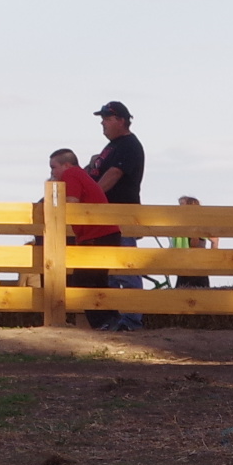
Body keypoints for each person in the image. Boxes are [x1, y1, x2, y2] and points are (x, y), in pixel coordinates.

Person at [85, 101, 146, 331]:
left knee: (126, 269)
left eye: (107, 119)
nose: (102, 123)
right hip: (106, 218)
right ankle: (114, 319)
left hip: (120, 215)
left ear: (121, 120)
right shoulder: (112, 147)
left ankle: (131, 321)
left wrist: (92, 197)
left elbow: (114, 174)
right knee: (109, 271)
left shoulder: (128, 145)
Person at [49, 147, 115, 317]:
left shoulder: (70, 175)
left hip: (95, 235)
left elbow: (71, 204)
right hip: (104, 233)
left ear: (66, 165)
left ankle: (103, 322)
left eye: (54, 167)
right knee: (98, 282)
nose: (52, 172)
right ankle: (111, 321)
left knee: (84, 281)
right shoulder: (80, 175)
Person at [170, 193, 211, 290]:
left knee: (186, 290)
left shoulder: (194, 223)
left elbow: (195, 243)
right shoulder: (184, 223)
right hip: (187, 262)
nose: (179, 208)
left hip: (192, 262)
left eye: (182, 205)